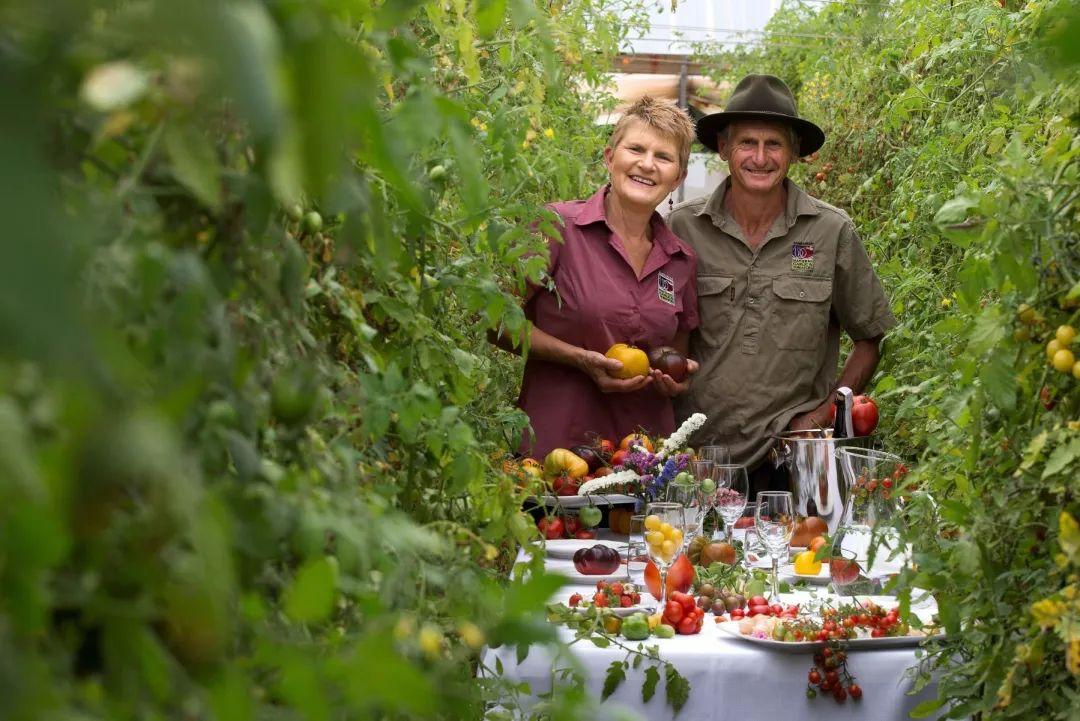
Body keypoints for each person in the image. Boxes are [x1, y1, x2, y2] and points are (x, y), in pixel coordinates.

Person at [669, 74, 896, 497]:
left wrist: (824, 414)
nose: (760, 157)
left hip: (795, 462)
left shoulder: (831, 231)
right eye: (746, 143)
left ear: (793, 152)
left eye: (773, 144)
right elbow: (660, 329)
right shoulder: (683, 227)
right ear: (723, 149)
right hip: (699, 460)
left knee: (796, 561)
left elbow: (870, 337)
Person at [504, 96, 700, 460]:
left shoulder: (680, 260)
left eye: (664, 157)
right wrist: (580, 358)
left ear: (678, 178)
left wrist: (675, 379)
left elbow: (676, 349)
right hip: (556, 451)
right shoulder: (555, 225)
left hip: (642, 460)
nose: (647, 164)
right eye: (636, 149)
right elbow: (496, 320)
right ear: (610, 157)